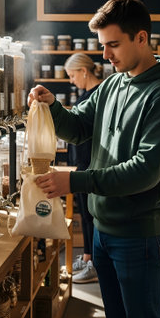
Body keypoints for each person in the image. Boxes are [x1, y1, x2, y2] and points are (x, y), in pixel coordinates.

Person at [28, 0, 160, 318]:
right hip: (102, 230)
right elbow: (78, 127)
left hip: (139, 234)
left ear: (141, 38)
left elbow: (145, 170)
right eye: (102, 45)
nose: (105, 55)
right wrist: (52, 107)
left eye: (113, 44)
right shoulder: (114, 83)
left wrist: (74, 182)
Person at [65, 53, 101, 284]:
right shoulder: (86, 94)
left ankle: (95, 264)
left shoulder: (98, 94)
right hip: (81, 163)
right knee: (85, 215)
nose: (71, 80)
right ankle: (89, 256)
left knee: (91, 216)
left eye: (72, 75)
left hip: (90, 164)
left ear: (84, 71)